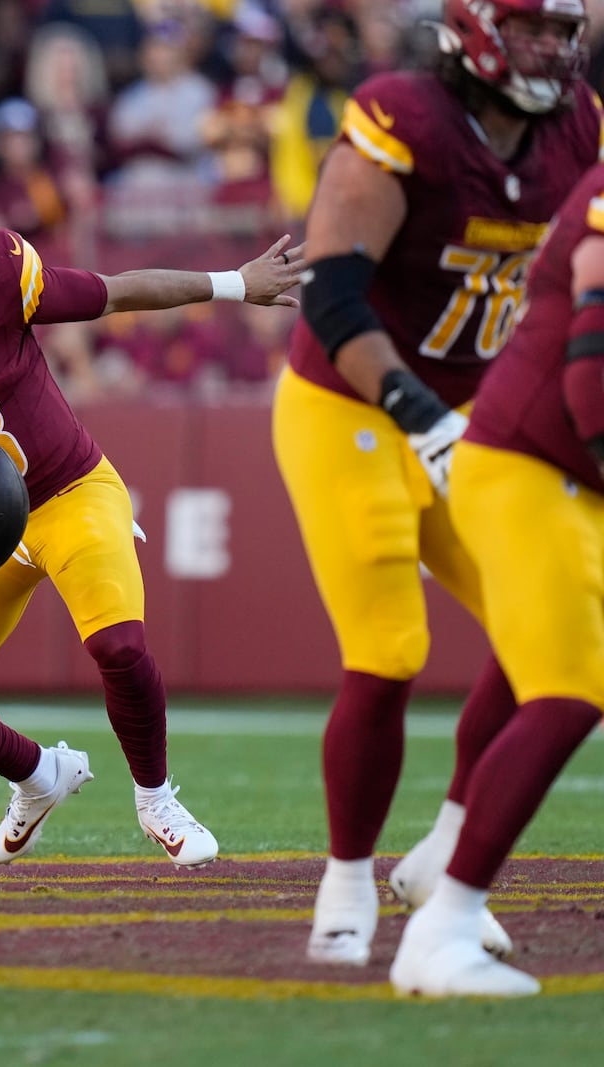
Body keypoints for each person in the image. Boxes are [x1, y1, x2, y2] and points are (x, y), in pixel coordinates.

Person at [0, 159, 303, 866]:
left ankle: (157, 798)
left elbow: (115, 292)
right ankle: (39, 776)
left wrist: (234, 284)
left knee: (120, 645)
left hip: (71, 490)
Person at [273, 0, 600, 965]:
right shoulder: (402, 118)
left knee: (544, 627)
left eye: (560, 29)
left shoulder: (580, 126)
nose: (550, 49)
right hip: (355, 405)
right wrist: (420, 413)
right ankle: (344, 885)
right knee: (390, 647)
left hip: (482, 415)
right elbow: (330, 290)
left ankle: (448, 849)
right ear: (473, 29)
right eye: (530, 27)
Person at [388, 161, 604, 998]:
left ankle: (446, 848)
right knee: (571, 684)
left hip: (567, 468)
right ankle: (440, 934)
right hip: (534, 458)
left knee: (531, 665)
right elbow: (591, 382)